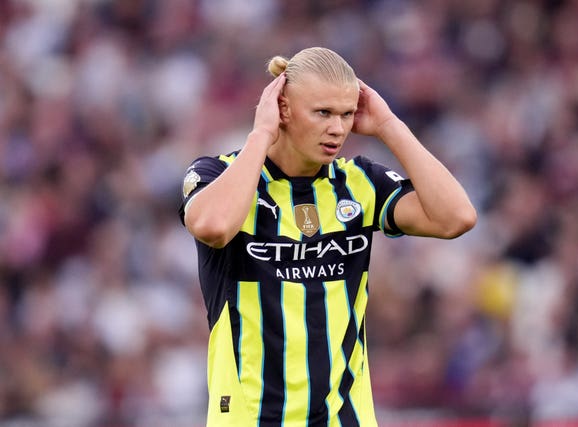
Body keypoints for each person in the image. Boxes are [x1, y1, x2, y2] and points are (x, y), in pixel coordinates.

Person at [179, 47, 476, 426]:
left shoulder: (359, 182)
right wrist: (262, 133)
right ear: (283, 108)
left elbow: (457, 217)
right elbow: (214, 227)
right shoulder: (219, 174)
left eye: (346, 114)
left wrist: (388, 125)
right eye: (322, 113)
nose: (338, 128)